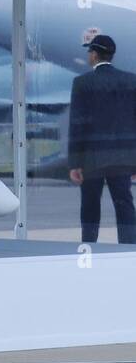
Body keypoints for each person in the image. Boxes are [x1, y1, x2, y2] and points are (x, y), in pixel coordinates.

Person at [68, 33, 136, 245]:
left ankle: (89, 246)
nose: (88, 55)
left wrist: (74, 163)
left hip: (92, 158)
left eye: (90, 51)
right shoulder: (131, 80)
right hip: (122, 157)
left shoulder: (82, 83)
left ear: (95, 55)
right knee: (124, 203)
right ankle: (128, 247)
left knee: (90, 205)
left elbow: (77, 125)